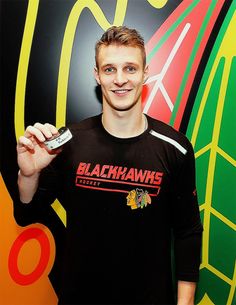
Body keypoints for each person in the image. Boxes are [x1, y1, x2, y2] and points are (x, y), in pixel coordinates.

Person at [15, 26, 203, 305]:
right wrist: (29, 174)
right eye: (109, 69)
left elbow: (188, 231)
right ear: (97, 75)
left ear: (145, 73)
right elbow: (27, 212)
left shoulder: (174, 147)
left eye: (130, 68)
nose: (120, 80)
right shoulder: (68, 142)